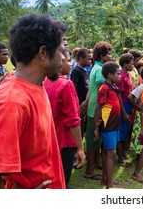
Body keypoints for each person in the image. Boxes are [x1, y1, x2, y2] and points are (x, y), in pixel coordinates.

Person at [0, 13, 66, 188]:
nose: (64, 58)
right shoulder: (12, 101)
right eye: (61, 51)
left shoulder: (34, 84)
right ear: (43, 52)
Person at [44, 50, 86, 188]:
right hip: (65, 140)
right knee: (63, 178)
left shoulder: (46, 81)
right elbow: (73, 119)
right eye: (68, 60)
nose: (71, 64)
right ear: (59, 63)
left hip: (52, 137)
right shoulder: (66, 84)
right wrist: (80, 147)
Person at [83, 41, 114, 180]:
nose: (111, 55)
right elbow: (104, 93)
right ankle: (89, 170)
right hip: (97, 109)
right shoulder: (101, 70)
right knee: (93, 140)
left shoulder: (96, 67)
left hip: (94, 107)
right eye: (109, 53)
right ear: (102, 55)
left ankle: (95, 164)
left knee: (95, 139)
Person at [94, 62, 121, 188]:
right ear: (110, 75)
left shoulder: (113, 86)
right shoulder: (104, 88)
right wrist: (96, 128)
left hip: (114, 123)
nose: (120, 76)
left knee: (107, 152)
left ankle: (105, 179)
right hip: (108, 125)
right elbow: (98, 108)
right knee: (111, 153)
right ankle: (109, 186)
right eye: (118, 74)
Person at [116, 53, 135, 166]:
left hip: (129, 105)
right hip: (124, 105)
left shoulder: (128, 75)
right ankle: (120, 158)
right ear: (125, 64)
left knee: (126, 131)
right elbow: (119, 95)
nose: (133, 65)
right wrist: (123, 112)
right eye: (131, 63)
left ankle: (123, 153)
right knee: (121, 133)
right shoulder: (121, 77)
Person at [70, 47, 92, 137]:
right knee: (79, 124)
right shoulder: (76, 71)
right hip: (79, 103)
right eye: (88, 59)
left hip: (85, 102)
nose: (90, 61)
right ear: (81, 59)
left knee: (83, 124)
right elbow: (73, 89)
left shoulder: (85, 70)